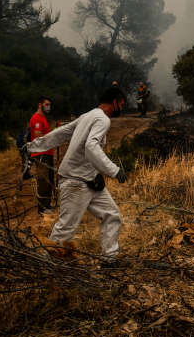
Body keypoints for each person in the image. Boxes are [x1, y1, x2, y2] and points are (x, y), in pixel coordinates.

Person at [26, 87, 129, 266]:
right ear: (115, 102)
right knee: (66, 229)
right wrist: (113, 170)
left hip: (88, 180)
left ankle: (110, 260)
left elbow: (61, 133)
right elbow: (91, 147)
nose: (121, 108)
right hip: (75, 182)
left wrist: (33, 146)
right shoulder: (103, 119)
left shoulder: (87, 115)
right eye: (121, 104)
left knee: (112, 215)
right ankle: (46, 267)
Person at [30, 96, 56, 214]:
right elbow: (38, 136)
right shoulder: (36, 118)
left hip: (48, 152)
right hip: (40, 153)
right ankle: (41, 209)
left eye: (49, 104)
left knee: (49, 179)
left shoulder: (43, 118)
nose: (48, 106)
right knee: (43, 180)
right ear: (40, 105)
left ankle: (47, 204)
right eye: (46, 104)